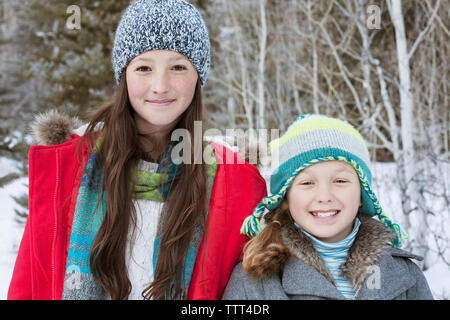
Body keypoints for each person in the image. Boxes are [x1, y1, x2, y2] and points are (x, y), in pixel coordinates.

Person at [8, 0, 266, 300]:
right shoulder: (68, 166)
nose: (160, 86)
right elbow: (28, 287)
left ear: (199, 77)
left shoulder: (235, 183)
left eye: (178, 67)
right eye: (144, 67)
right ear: (124, 75)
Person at [223, 114, 434, 300]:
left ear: (362, 194)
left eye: (340, 181)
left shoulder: (404, 275)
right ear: (285, 198)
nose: (324, 196)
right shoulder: (255, 280)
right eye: (307, 183)